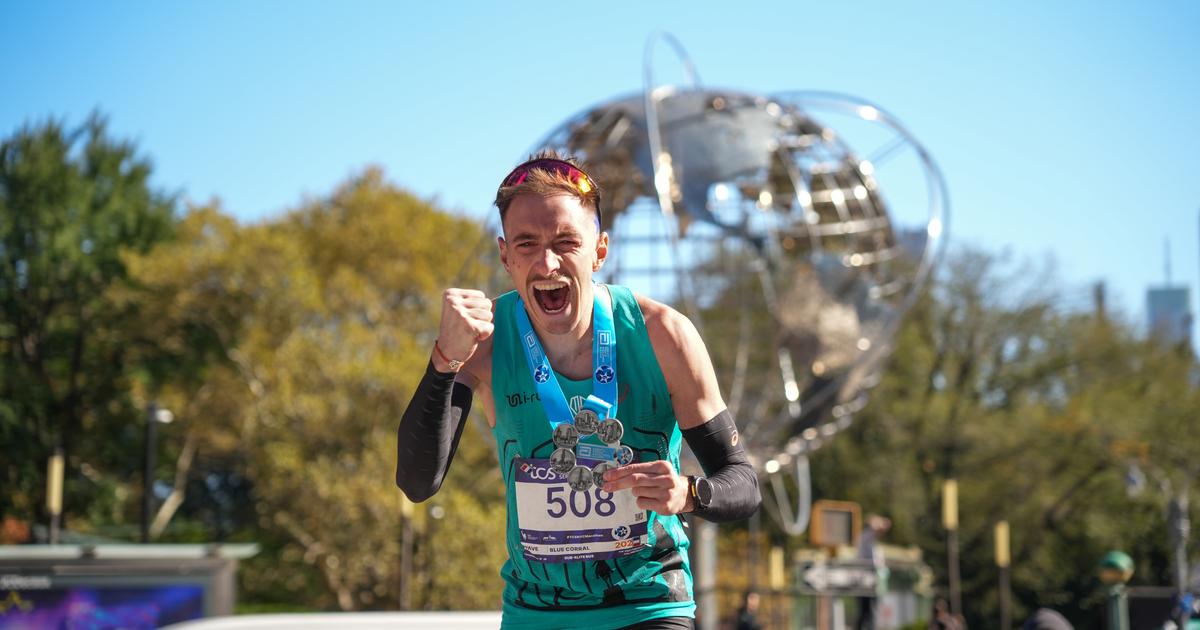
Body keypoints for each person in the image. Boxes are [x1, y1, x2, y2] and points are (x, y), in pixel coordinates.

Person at [396, 152, 761, 629]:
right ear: (505, 255)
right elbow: (417, 482)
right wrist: (444, 359)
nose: (547, 262)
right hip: (535, 612)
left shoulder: (662, 335)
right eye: (526, 244)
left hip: (648, 604)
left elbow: (743, 482)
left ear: (600, 251)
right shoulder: (484, 344)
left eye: (566, 241)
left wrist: (689, 493)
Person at [855, 514, 892, 630]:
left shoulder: (873, 541)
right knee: (866, 612)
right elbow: (881, 527)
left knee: (870, 612)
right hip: (866, 580)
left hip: (873, 580)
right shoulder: (866, 536)